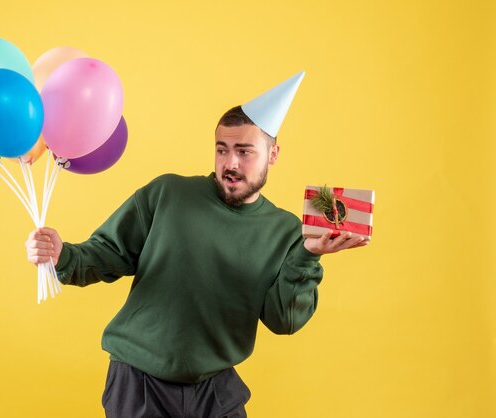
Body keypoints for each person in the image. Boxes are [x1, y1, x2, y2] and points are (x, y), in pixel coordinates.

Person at [25, 76, 367, 417]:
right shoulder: (168, 194)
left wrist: (309, 255)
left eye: (245, 152)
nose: (230, 164)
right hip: (139, 379)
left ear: (273, 154)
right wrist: (63, 255)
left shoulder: (287, 231)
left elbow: (284, 320)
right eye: (222, 150)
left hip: (215, 387)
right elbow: (108, 253)